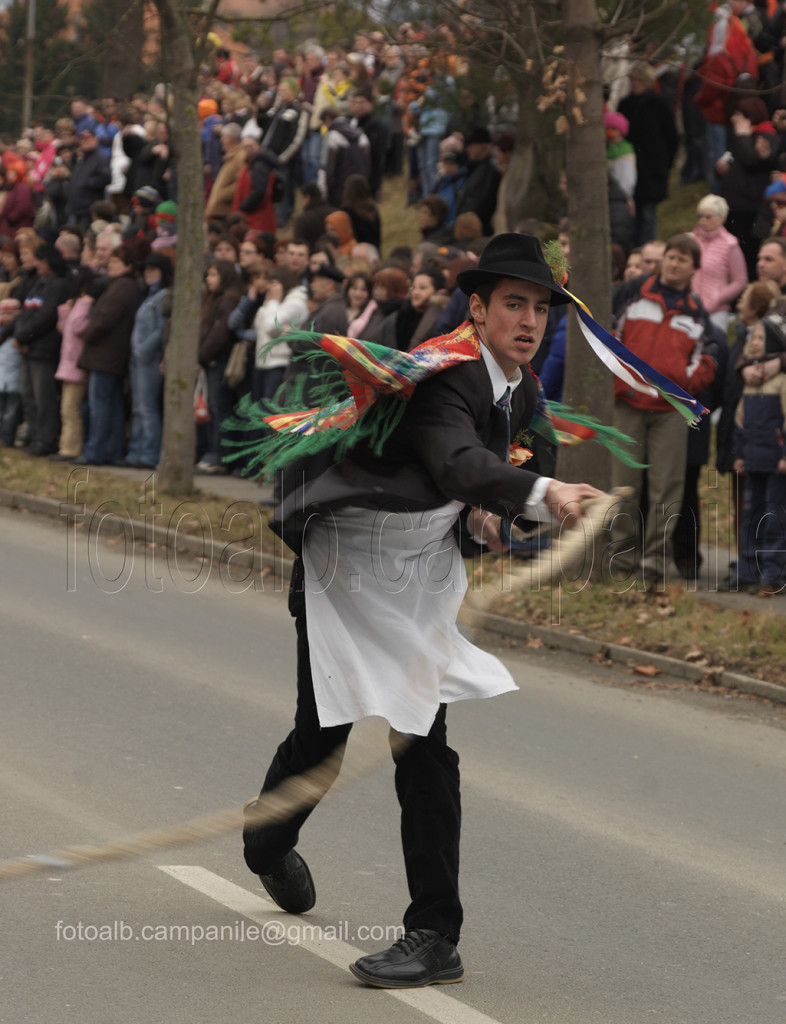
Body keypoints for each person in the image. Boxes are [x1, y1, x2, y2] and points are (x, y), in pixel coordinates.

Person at [241, 232, 603, 989]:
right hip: (346, 565)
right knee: (324, 735)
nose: (530, 320)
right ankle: (266, 843)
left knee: (423, 745)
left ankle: (434, 933)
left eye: (541, 308)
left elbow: (489, 486)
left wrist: (499, 518)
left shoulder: (527, 393)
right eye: (514, 304)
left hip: (419, 575)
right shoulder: (449, 374)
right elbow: (457, 461)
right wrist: (536, 495)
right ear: (478, 308)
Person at [611, 233, 718, 588]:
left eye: (682, 260)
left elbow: (711, 354)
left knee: (666, 488)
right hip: (628, 403)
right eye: (670, 256)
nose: (674, 264)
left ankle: (655, 562)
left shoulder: (696, 310)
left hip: (671, 410)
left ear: (693, 269)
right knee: (624, 485)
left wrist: (685, 382)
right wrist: (620, 377)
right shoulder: (632, 292)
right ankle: (622, 559)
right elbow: (605, 333)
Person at [690, 194, 748, 333]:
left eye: (708, 217)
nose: (703, 221)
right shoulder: (690, 240)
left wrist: (718, 297)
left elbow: (740, 280)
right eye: (700, 216)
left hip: (716, 312)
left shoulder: (730, 244)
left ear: (721, 218)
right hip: (688, 307)